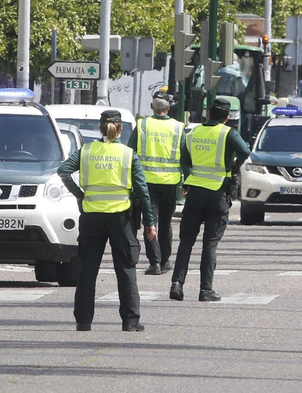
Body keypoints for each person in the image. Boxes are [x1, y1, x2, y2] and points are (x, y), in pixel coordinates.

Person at [58, 109, 156, 332]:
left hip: (91, 217)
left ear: (100, 128)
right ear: (120, 128)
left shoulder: (86, 151)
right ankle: (130, 321)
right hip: (121, 219)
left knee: (87, 270)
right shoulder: (128, 154)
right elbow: (142, 191)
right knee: (126, 269)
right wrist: (150, 221)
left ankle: (83, 322)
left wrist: (79, 193)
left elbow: (63, 171)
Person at [170, 97, 250, 301]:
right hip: (217, 194)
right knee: (210, 243)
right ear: (226, 117)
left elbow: (184, 158)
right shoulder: (228, 133)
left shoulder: (193, 133)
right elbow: (245, 151)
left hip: (195, 193)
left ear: (208, 114)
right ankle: (205, 290)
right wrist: (232, 167)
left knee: (186, 241)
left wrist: (187, 181)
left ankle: (177, 284)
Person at [131, 93, 186, 276]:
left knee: (150, 221)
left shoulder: (142, 125)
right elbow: (185, 156)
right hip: (170, 182)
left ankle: (154, 262)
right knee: (165, 223)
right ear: (168, 108)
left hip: (146, 182)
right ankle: (165, 261)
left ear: (151, 107)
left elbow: (130, 153)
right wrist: (187, 182)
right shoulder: (178, 127)